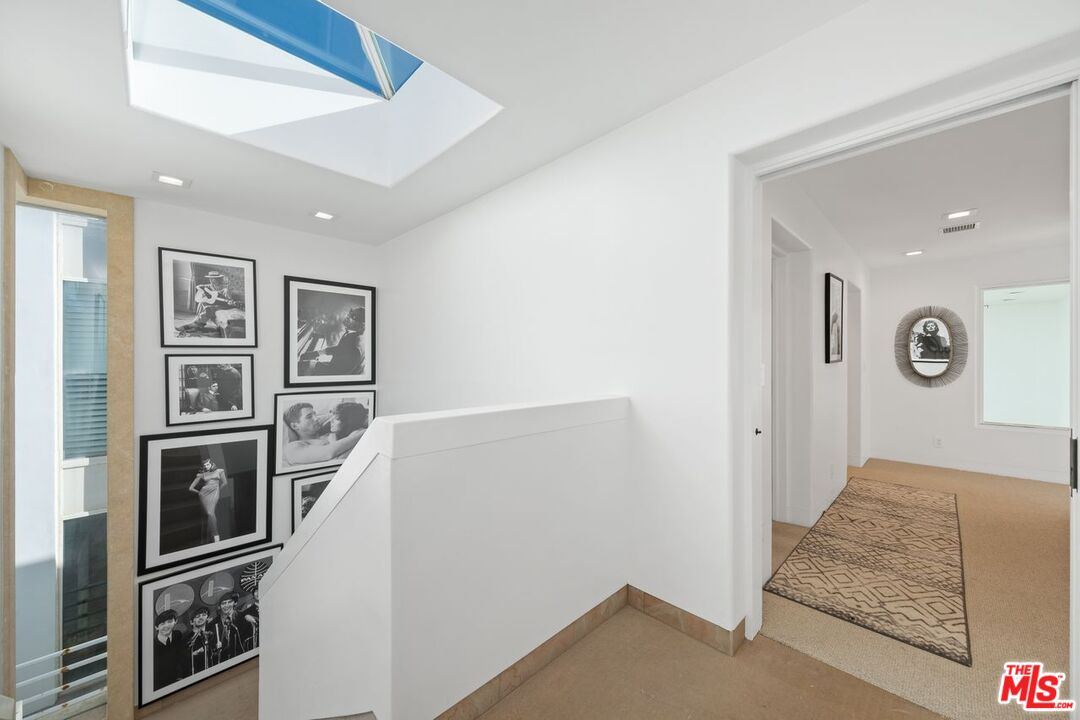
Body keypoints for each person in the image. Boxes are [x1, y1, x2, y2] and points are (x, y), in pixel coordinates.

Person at [282, 402, 365, 468]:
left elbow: (341, 414)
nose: (316, 418)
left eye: (315, 414)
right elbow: (329, 453)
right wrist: (365, 432)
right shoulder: (293, 447)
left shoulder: (330, 432)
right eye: (309, 417)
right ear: (295, 426)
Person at [299, 306, 365, 376]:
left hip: (339, 376)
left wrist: (312, 364)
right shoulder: (354, 335)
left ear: (360, 324)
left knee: (301, 367)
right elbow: (339, 349)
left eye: (353, 316)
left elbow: (337, 372)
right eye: (350, 313)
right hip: (337, 368)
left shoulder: (354, 344)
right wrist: (318, 353)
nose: (347, 317)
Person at [179, 270, 243, 337]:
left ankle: (196, 324)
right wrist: (201, 290)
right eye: (210, 279)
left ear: (218, 279)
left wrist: (230, 301)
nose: (211, 281)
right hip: (212, 305)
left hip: (223, 306)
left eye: (214, 279)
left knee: (208, 308)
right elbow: (199, 286)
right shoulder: (209, 286)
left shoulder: (224, 289)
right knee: (203, 303)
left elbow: (229, 301)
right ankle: (197, 324)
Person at [189, 458, 228, 543]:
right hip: (204, 494)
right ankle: (214, 535)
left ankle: (216, 535)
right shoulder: (202, 474)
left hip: (215, 492)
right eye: (205, 465)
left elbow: (225, 483)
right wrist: (200, 492)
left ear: (211, 463)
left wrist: (218, 490)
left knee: (210, 513)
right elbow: (191, 488)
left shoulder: (220, 471)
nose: (206, 466)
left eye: (208, 464)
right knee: (209, 514)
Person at [152, 609, 189, 690]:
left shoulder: (177, 635)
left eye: (169, 622)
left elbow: (180, 657)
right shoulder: (153, 646)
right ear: (156, 627)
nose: (166, 626)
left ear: (175, 621)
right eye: (162, 624)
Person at [208, 593, 246, 664]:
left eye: (229, 602)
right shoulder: (212, 625)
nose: (227, 605)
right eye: (223, 603)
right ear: (219, 606)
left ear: (234, 603)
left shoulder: (243, 616)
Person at [185, 605, 214, 674]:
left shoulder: (212, 635)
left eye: (204, 615)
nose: (201, 617)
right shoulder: (186, 641)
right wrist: (195, 653)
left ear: (207, 618)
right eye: (197, 616)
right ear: (191, 622)